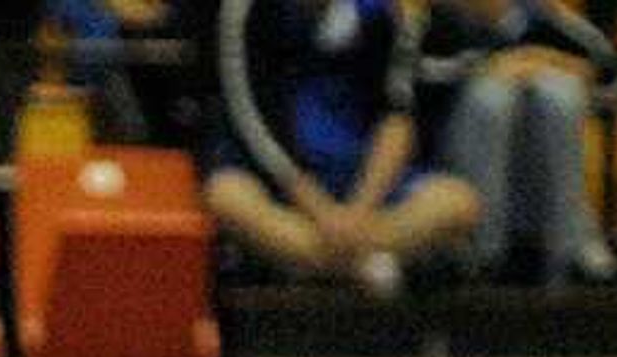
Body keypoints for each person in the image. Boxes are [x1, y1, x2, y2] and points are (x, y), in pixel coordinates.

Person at [203, 0, 480, 297]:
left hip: (357, 173)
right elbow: (251, 118)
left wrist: (360, 210)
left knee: (458, 203)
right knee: (226, 196)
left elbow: (397, 117)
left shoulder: (384, 12)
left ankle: (314, 261)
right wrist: (319, 209)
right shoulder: (245, 10)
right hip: (275, 171)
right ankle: (364, 265)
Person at [426, 0, 617, 285]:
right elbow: (419, 85)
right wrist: (489, 67)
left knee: (559, 94)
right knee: (492, 99)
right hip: (453, 170)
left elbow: (614, 84)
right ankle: (483, 256)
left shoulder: (541, 17)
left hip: (535, 186)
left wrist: (548, 60)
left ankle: (565, 255)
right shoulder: (437, 20)